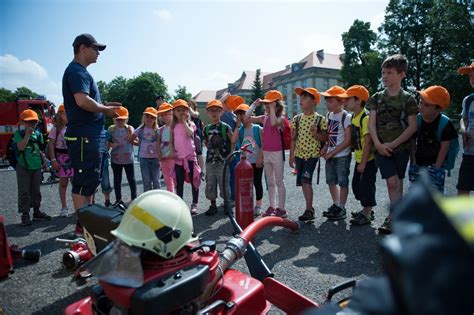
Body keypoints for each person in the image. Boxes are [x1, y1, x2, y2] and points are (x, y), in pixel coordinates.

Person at [62, 33, 119, 235]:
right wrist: (105, 110)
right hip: (84, 136)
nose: (98, 53)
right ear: (82, 48)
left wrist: (104, 106)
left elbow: (85, 102)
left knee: (89, 180)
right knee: (83, 181)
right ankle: (83, 228)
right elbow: (82, 101)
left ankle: (86, 224)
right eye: (95, 49)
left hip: (88, 135)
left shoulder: (79, 71)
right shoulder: (77, 72)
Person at [367, 54, 418, 234]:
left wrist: (394, 143)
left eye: (389, 72)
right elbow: (370, 124)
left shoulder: (408, 99)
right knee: (392, 182)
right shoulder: (377, 97)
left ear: (402, 74)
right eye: (383, 72)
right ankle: (392, 217)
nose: (385, 76)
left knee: (398, 182)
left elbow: (412, 126)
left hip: (401, 148)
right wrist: (379, 145)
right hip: (382, 149)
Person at [339, 85, 377, 226]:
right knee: (357, 187)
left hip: (368, 160)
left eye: (348, 99)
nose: (345, 102)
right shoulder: (354, 117)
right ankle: (367, 209)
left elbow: (367, 142)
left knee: (367, 187)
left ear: (358, 100)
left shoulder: (365, 118)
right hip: (359, 159)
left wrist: (363, 163)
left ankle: (367, 213)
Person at [409, 86, 458, 194]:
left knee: (435, 195)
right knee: (415, 194)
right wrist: (413, 159)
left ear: (439, 108)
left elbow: (445, 146)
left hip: (435, 163)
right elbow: (412, 140)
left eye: (426, 105)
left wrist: (438, 165)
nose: (421, 106)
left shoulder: (445, 123)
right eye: (420, 102)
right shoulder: (417, 119)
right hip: (418, 162)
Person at [246, 90, 287, 218]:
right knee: (270, 182)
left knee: (279, 181)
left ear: (276, 104)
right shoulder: (264, 118)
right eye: (266, 104)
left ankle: (281, 208)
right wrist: (253, 105)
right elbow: (247, 117)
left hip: (277, 153)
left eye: (269, 104)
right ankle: (272, 206)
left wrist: (273, 108)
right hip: (267, 153)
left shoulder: (281, 118)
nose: (267, 106)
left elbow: (274, 123)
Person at [289, 87, 327, 222]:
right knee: (303, 183)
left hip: (312, 155)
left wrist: (316, 134)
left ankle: (309, 209)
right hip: (299, 155)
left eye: (305, 97)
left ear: (314, 102)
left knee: (306, 180)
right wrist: (291, 156)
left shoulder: (320, 119)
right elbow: (293, 138)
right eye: (301, 97)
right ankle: (309, 208)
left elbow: (324, 138)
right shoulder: (296, 119)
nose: (301, 100)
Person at [319, 86, 352, 221]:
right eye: (327, 101)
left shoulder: (346, 116)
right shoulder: (329, 115)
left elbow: (348, 140)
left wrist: (332, 153)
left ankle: (342, 208)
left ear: (341, 102)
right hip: (330, 154)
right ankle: (336, 204)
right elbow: (329, 135)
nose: (327, 104)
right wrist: (325, 147)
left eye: (331, 101)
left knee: (343, 182)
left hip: (342, 155)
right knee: (331, 181)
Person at [13, 109, 51, 226]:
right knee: (24, 190)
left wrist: (44, 161)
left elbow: (40, 149)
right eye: (29, 122)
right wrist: (27, 135)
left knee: (36, 190)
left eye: (34, 122)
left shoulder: (39, 135)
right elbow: (21, 147)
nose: (32, 125)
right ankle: (25, 214)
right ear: (23, 123)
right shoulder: (19, 134)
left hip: (36, 165)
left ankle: (36, 211)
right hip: (23, 165)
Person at [231, 103, 264, 216]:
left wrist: (260, 158)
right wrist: (237, 125)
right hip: (245, 163)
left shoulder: (257, 128)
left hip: (256, 161)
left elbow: (263, 145)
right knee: (245, 185)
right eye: (239, 115)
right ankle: (247, 204)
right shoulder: (240, 130)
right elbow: (233, 140)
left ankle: (258, 205)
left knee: (257, 182)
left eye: (243, 114)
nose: (241, 117)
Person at [203, 99, 233, 216]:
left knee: (224, 182)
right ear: (208, 113)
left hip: (223, 162)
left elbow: (232, 141)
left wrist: (230, 154)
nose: (214, 113)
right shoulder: (207, 128)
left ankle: (227, 204)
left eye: (217, 110)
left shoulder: (225, 127)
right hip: (210, 162)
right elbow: (205, 140)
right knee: (210, 182)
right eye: (211, 110)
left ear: (222, 112)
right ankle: (213, 205)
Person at [172, 99, 201, 215]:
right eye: (178, 110)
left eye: (183, 110)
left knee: (194, 179)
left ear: (187, 112)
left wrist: (184, 122)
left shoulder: (190, 123)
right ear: (174, 112)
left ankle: (195, 203)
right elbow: (171, 140)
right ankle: (180, 202)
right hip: (178, 158)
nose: (181, 113)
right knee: (179, 182)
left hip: (189, 157)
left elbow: (190, 133)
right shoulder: (173, 125)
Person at [108, 106, 137, 205]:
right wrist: (113, 145)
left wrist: (131, 136)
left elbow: (135, 140)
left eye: (122, 119)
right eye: (118, 120)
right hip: (115, 159)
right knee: (117, 180)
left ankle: (134, 197)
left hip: (129, 159)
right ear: (114, 119)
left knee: (131, 179)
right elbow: (108, 143)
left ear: (126, 119)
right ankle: (118, 199)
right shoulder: (111, 129)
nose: (120, 121)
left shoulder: (129, 128)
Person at [49, 104, 74, 217]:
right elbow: (51, 145)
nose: (67, 115)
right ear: (59, 114)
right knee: (63, 183)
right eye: (65, 113)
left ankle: (77, 205)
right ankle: (64, 207)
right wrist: (53, 160)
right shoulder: (55, 128)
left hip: (74, 158)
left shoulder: (73, 126)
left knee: (76, 183)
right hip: (61, 158)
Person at [131, 107, 161, 192]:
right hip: (144, 158)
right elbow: (131, 139)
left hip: (155, 158)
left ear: (155, 119)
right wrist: (139, 143)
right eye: (147, 116)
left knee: (156, 181)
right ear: (144, 117)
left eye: (152, 117)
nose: (149, 119)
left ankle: (157, 198)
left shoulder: (157, 130)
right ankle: (148, 201)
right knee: (146, 181)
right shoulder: (140, 130)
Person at [457, 62, 474, 196]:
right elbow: (464, 119)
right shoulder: (468, 100)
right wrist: (463, 130)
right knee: (462, 190)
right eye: (470, 76)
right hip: (469, 153)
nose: (472, 78)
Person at [157, 102, 176, 192]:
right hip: (164, 157)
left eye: (166, 114)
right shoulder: (160, 129)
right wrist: (159, 155)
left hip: (173, 157)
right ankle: (171, 195)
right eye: (162, 115)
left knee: (175, 179)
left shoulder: (175, 127)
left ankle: (178, 197)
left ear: (172, 113)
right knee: (167, 179)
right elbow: (158, 143)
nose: (164, 117)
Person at [188, 99, 205, 179]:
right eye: (188, 104)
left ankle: (201, 171)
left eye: (190, 104)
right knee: (191, 155)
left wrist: (188, 107)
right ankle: (193, 171)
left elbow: (195, 115)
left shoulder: (196, 113)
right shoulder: (187, 114)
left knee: (199, 154)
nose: (188, 105)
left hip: (197, 136)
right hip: (189, 136)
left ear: (194, 105)